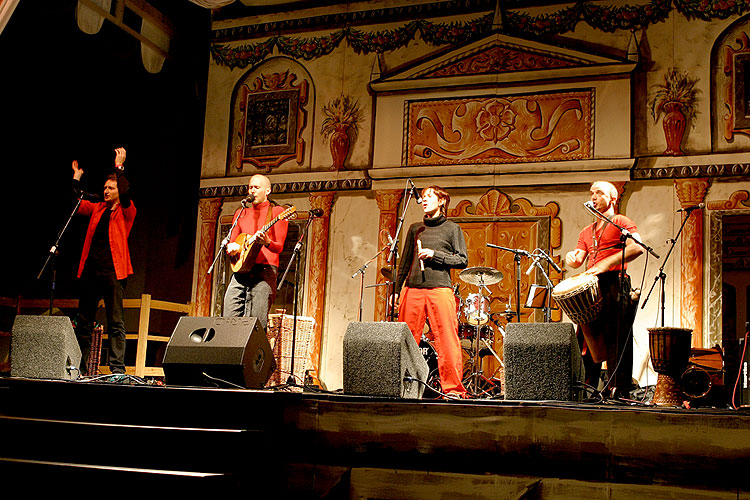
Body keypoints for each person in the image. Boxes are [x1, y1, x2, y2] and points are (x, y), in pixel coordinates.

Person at [565, 181, 643, 399]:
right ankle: (589, 387)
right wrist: (573, 258)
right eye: (591, 193)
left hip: (614, 283)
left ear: (613, 198)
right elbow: (578, 259)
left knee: (617, 337)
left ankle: (619, 390)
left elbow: (637, 246)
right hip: (592, 285)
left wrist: (607, 263)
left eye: (599, 193)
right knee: (588, 338)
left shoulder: (620, 221)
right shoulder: (586, 231)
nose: (593, 196)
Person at [392, 186, 468, 398]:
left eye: (429, 197)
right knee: (405, 341)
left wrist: (435, 255)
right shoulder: (415, 228)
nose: (424, 201)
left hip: (440, 289)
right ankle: (401, 388)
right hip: (413, 289)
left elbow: (462, 260)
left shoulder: (452, 229)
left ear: (441, 201)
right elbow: (405, 261)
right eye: (423, 197)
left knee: (446, 340)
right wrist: (397, 291)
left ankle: (453, 390)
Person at [73, 147, 136, 375]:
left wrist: (120, 167)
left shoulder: (127, 211)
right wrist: (76, 179)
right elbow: (76, 203)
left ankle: (117, 369)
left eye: (110, 188)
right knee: (84, 323)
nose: (105, 191)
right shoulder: (97, 208)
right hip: (91, 271)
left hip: (113, 273)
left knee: (115, 321)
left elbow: (127, 191)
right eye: (104, 188)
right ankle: (81, 368)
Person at [224, 174, 288, 331]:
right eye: (250, 187)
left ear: (268, 190)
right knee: (229, 316)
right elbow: (233, 240)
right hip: (241, 271)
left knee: (256, 324)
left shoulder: (277, 212)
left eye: (256, 187)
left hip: (264, 271)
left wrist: (266, 242)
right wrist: (232, 247)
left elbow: (279, 247)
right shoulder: (241, 213)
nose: (252, 190)